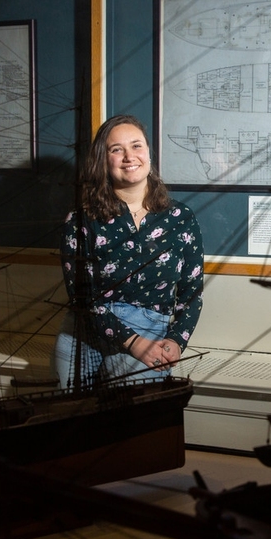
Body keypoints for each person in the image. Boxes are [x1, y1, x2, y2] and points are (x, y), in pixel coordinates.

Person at [53, 115, 203, 386]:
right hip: (84, 333)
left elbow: (192, 292)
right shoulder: (79, 221)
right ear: (103, 159)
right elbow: (81, 296)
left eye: (136, 146)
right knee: (74, 423)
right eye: (116, 149)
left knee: (135, 423)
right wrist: (132, 342)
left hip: (149, 330)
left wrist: (177, 340)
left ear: (148, 152)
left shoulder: (181, 217)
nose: (128, 156)